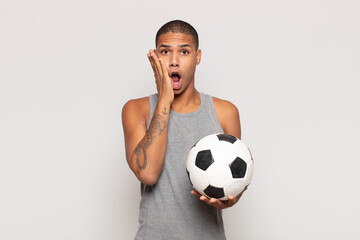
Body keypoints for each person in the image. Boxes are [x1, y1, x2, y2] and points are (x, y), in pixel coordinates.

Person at [122, 20, 247, 240]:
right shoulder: (136, 109)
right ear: (155, 57)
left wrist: (231, 199)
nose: (174, 61)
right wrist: (164, 100)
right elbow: (148, 174)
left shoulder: (225, 112)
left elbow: (234, 181)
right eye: (165, 51)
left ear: (197, 57)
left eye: (184, 51)